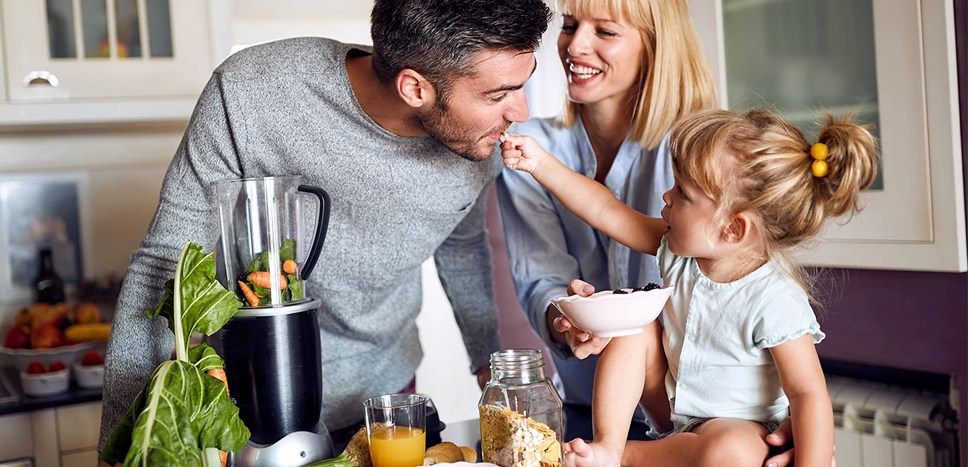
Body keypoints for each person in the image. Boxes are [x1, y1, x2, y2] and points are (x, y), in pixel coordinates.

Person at [96, 0, 553, 456]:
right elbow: (164, 264)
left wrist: (486, 360)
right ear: (414, 88)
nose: (520, 110)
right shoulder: (250, 93)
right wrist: (123, 443)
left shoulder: (480, 142)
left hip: (386, 402)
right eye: (499, 95)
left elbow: (460, 241)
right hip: (245, 411)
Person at [502, 107, 878, 466]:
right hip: (674, 409)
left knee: (734, 453)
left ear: (733, 229)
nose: (667, 196)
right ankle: (608, 446)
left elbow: (808, 394)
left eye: (682, 192)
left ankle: (625, 457)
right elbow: (606, 211)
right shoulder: (678, 251)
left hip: (741, 432)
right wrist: (540, 164)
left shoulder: (774, 298)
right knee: (634, 325)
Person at [494, 0, 715, 444]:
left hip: (697, 421)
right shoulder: (528, 150)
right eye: (570, 25)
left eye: (606, 32)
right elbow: (541, 279)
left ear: (656, 46)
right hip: (588, 416)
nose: (575, 46)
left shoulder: (701, 151)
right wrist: (565, 320)